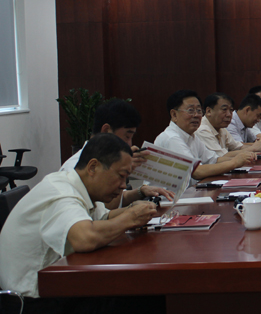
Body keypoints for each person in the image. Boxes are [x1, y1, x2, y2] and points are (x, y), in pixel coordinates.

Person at [0, 134, 160, 313]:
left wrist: (136, 210)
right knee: (142, 298)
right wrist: (131, 217)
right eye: (121, 176)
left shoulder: (79, 187)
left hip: (53, 287)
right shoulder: (60, 193)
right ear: (93, 167)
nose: (124, 185)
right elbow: (85, 238)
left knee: (139, 294)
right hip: (31, 302)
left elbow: (104, 218)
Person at [59, 99, 173, 209]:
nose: (129, 144)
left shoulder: (102, 159)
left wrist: (141, 191)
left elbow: (114, 201)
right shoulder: (76, 166)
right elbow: (105, 209)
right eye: (127, 136)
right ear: (106, 130)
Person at [154, 90, 256, 181]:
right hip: (170, 196)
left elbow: (214, 160)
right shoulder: (171, 138)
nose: (196, 115)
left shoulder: (192, 136)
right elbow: (196, 172)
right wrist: (234, 162)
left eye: (199, 110)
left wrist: (244, 158)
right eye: (190, 110)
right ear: (174, 115)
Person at [195, 93, 261, 157]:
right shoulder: (202, 130)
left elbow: (237, 147)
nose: (229, 115)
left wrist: (260, 144)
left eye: (231, 110)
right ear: (209, 111)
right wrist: (254, 148)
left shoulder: (221, 129)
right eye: (224, 109)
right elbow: (220, 157)